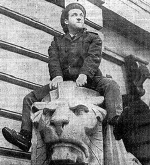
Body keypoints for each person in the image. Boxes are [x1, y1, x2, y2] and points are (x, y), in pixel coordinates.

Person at [2, 3, 123, 152]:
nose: (79, 17)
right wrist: (57, 76)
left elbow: (94, 57)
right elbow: (53, 60)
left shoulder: (93, 38)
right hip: (64, 82)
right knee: (29, 98)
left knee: (111, 85)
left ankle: (117, 123)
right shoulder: (57, 42)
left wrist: (84, 73)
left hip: (90, 79)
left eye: (81, 15)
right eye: (75, 15)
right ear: (66, 21)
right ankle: (25, 137)